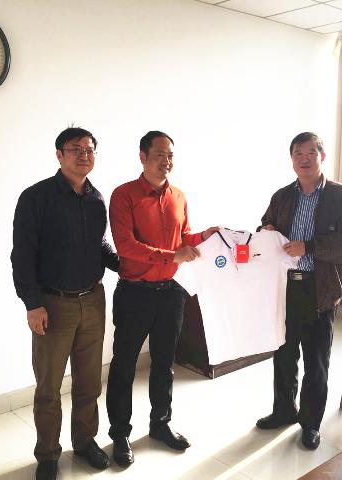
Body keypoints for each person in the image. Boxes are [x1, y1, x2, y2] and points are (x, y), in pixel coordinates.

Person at [11, 127, 119, 480]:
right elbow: (22, 255)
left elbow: (98, 245)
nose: (84, 155)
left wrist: (126, 264)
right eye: (75, 149)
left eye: (90, 149)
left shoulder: (96, 198)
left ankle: (85, 441)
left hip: (93, 300)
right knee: (49, 387)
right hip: (52, 304)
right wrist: (32, 304)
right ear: (59, 155)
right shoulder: (36, 197)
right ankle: (47, 454)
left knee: (89, 382)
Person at [106, 130, 218, 467]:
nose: (166, 162)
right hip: (134, 293)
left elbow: (184, 238)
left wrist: (205, 236)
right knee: (124, 365)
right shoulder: (123, 195)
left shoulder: (179, 196)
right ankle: (120, 433)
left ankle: (160, 424)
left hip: (172, 293)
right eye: (159, 154)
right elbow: (126, 247)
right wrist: (173, 256)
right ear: (142, 156)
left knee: (164, 363)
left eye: (170, 155)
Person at [255, 132, 342, 450]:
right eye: (298, 153)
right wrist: (265, 230)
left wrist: (309, 247)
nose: (304, 159)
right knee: (284, 354)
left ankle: (311, 423)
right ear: (291, 159)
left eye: (311, 153)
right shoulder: (282, 196)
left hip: (320, 288)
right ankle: (283, 410)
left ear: (321, 157)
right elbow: (264, 227)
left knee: (316, 361)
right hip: (285, 287)